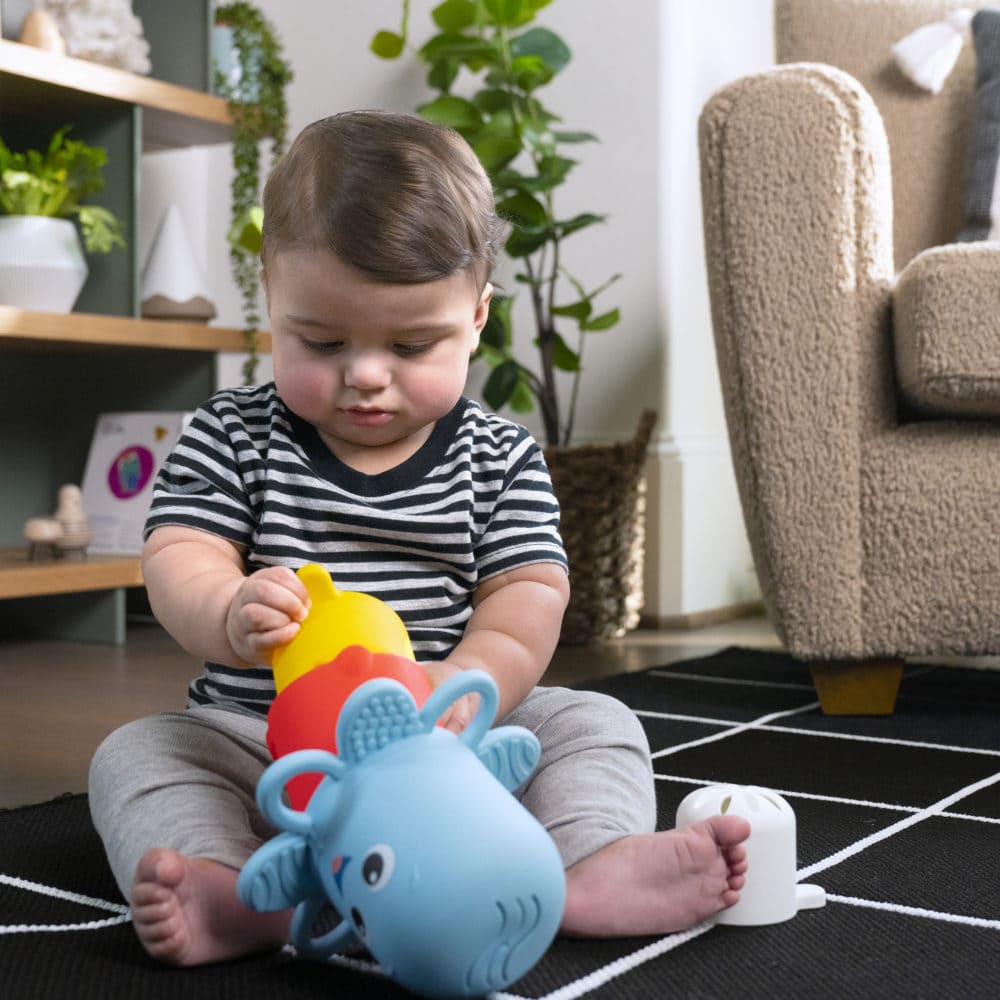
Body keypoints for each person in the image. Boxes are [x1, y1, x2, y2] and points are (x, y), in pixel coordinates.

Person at [88, 110, 749, 967]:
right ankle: (242, 886)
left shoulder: (498, 457)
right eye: (321, 340)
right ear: (272, 301)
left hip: (451, 751)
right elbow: (179, 550)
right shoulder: (232, 433)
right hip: (272, 752)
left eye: (411, 343)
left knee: (595, 721)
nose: (365, 373)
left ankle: (582, 867)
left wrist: (472, 681)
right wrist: (227, 607)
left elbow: (528, 595)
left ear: (476, 317)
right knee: (137, 752)